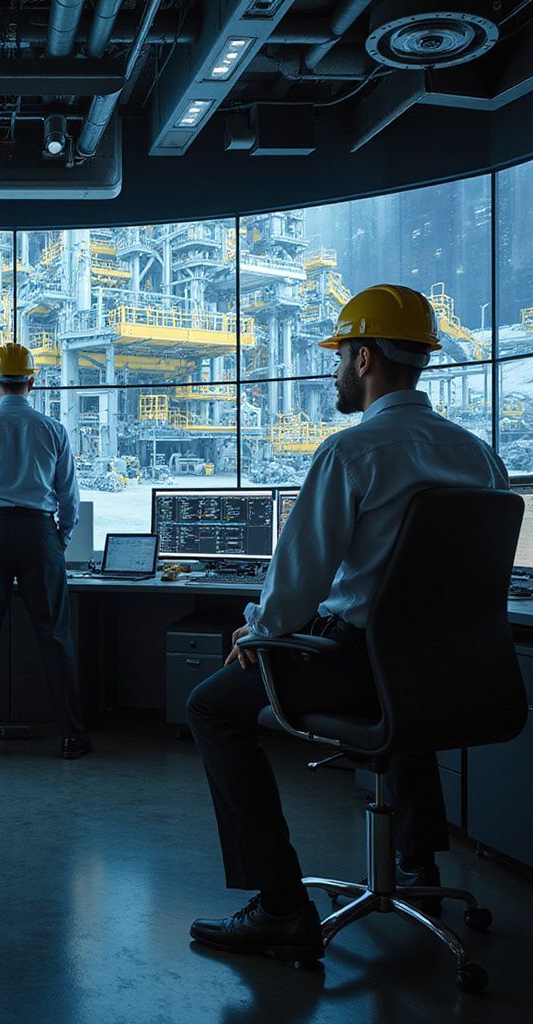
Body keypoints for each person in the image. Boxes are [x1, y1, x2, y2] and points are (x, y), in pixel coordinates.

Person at [186, 284, 508, 962]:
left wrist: (259, 630)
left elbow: (298, 579)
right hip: (450, 670)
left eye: (338, 357)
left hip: (355, 665)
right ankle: (416, 866)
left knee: (212, 707)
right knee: (406, 668)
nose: (333, 371)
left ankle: (280, 907)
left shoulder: (351, 452)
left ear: (363, 359)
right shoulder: (481, 456)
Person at [0, 341, 90, 760]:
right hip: (41, 533)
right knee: (56, 638)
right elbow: (69, 498)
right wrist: (57, 540)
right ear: (32, 382)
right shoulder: (54, 430)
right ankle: (72, 737)